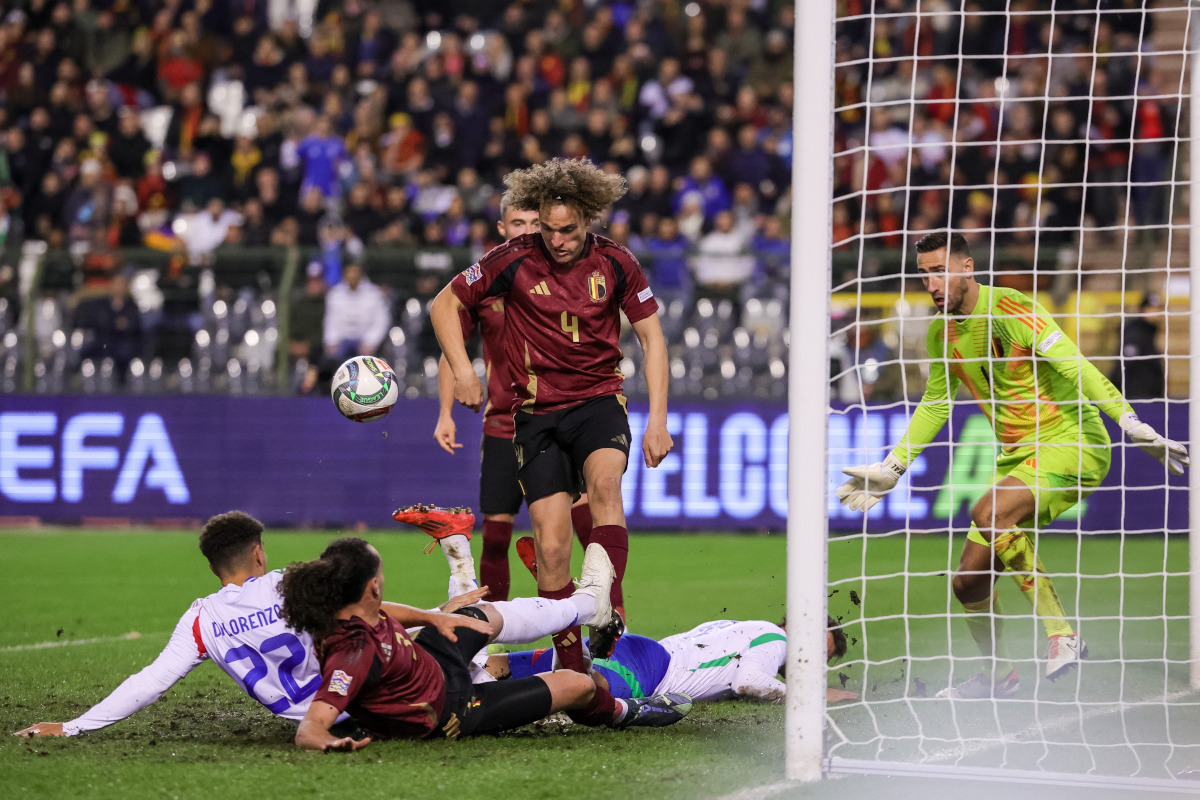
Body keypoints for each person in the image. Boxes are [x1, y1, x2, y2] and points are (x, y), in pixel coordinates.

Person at [837, 232, 1189, 699]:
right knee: (968, 583)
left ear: (967, 267)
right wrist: (893, 467)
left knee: (990, 511)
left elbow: (1075, 364)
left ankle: (1062, 634)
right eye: (924, 274)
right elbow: (937, 403)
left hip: (1072, 442)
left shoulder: (1012, 308)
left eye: (940, 271)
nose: (932, 284)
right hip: (1019, 457)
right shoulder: (942, 332)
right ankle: (999, 677)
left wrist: (1128, 419)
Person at [12, 510, 629, 739]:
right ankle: (584, 605)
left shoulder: (199, 621)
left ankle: (497, 594)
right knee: (470, 625)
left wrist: (74, 726)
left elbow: (150, 681)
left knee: (462, 643)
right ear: (258, 553)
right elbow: (367, 608)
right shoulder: (286, 583)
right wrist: (432, 615)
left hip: (341, 706)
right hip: (368, 691)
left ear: (213, 566)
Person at [429, 158, 673, 676]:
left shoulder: (617, 262)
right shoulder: (512, 258)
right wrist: (463, 372)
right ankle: (572, 672)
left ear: (588, 220)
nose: (557, 240)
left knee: (605, 487)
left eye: (569, 230)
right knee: (553, 546)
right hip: (536, 415)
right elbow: (442, 306)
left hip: (598, 401)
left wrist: (658, 420)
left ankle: (603, 601)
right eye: (548, 229)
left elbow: (652, 338)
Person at [280, 538, 690, 750]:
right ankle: (625, 712)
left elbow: (384, 610)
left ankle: (587, 605)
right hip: (452, 709)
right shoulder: (351, 652)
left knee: (479, 614)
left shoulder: (352, 608)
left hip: (431, 660)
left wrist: (434, 616)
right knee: (577, 685)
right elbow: (311, 728)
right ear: (372, 585)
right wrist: (329, 742)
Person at [430, 195, 596, 605]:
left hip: (563, 419)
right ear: (502, 229)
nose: (526, 231)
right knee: (495, 537)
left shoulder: (563, 273)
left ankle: (610, 619)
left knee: (589, 529)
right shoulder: (486, 281)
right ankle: (495, 626)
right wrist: (445, 412)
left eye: (534, 223)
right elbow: (451, 343)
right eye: (517, 223)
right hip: (505, 423)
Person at [1109, 291, 1166, 400]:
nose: (1159, 313)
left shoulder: (1147, 333)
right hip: (1136, 398)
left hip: (1147, 397)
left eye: (1159, 309)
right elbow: (1123, 367)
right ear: (1144, 310)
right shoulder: (1135, 333)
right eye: (1154, 308)